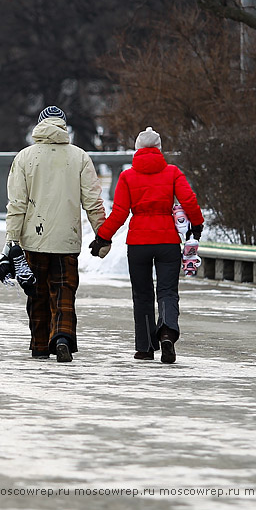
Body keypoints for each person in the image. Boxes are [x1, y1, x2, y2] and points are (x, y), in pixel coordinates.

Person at [90, 127, 204, 364]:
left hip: (139, 243)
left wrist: (103, 237)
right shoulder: (172, 173)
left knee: (142, 295)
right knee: (168, 291)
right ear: (159, 150)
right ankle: (166, 333)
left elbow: (120, 213)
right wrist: (198, 225)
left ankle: (144, 347)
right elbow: (189, 200)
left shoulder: (128, 176)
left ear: (137, 150)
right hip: (167, 242)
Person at [6, 106, 107, 363]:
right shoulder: (80, 157)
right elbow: (93, 201)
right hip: (67, 239)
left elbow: (17, 204)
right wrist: (102, 235)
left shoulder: (25, 157)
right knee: (64, 291)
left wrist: (11, 239)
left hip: (33, 239)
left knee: (36, 292)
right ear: (64, 127)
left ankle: (40, 345)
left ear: (39, 126)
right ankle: (62, 337)